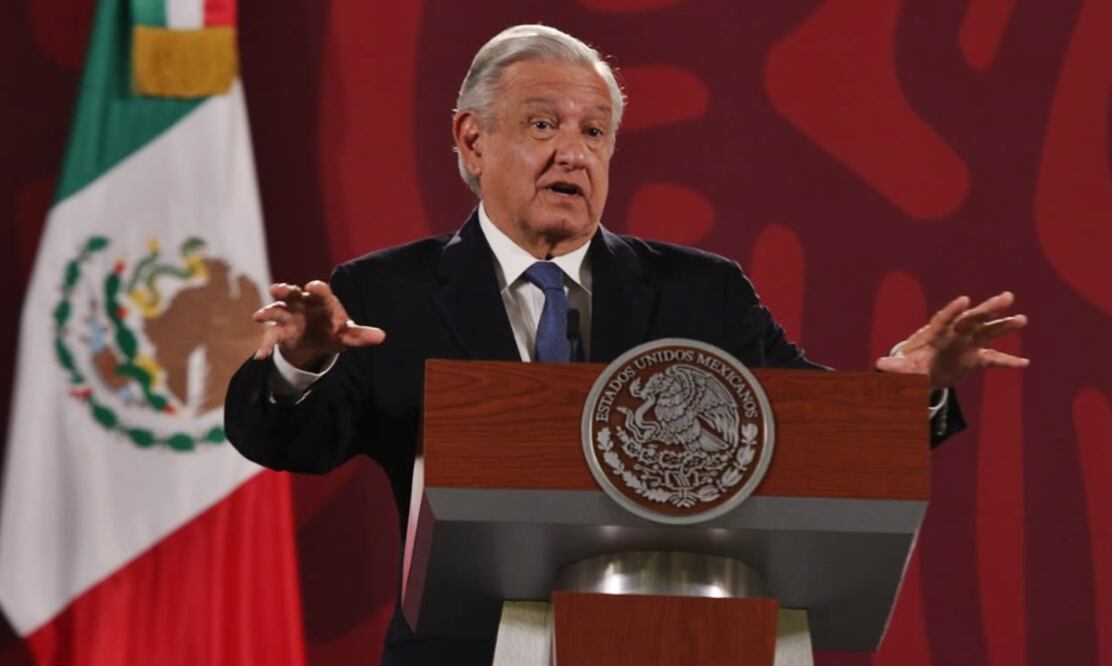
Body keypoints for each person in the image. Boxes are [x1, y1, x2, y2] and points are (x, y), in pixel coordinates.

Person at [224, 24, 1029, 666]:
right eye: (543, 125)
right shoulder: (384, 294)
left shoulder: (699, 291)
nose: (573, 152)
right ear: (472, 141)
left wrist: (903, 396)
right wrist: (303, 364)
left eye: (595, 131)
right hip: (464, 651)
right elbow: (287, 440)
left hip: (689, 645)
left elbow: (812, 433)